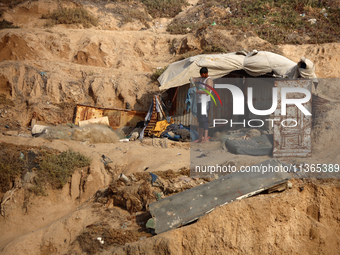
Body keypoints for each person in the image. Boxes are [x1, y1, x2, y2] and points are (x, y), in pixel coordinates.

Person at [191, 67, 213, 143]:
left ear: (206, 73)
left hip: (205, 102)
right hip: (199, 101)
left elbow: (208, 92)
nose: (201, 75)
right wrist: (193, 79)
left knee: (204, 119)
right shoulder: (201, 79)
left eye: (202, 74)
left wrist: (197, 92)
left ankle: (206, 137)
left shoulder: (208, 80)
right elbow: (193, 79)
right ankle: (200, 138)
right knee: (200, 119)